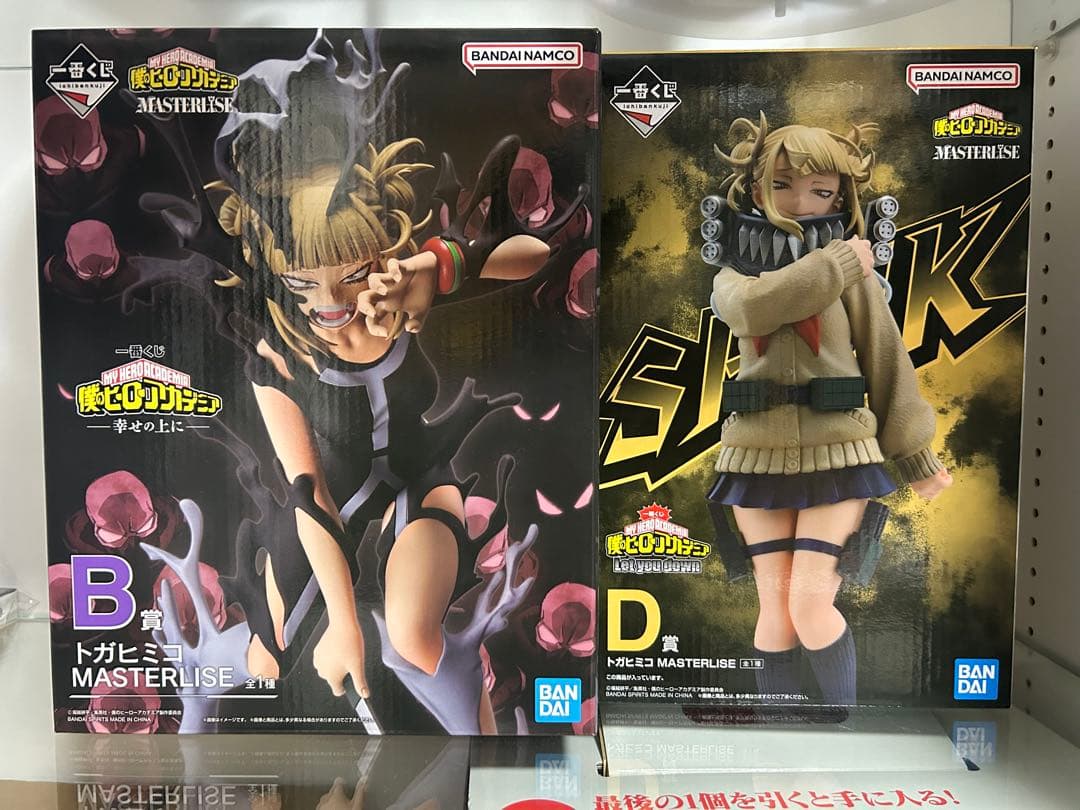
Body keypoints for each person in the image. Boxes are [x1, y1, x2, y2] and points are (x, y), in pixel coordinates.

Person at [707, 113, 952, 705]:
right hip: (754, 457)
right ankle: (778, 733)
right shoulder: (735, 277)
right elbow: (754, 309)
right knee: (775, 611)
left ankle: (843, 722)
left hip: (841, 450)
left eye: (821, 191)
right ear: (755, 189)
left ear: (841, 196)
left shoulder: (857, 281)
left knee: (810, 604)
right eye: (782, 185)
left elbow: (887, 361)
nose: (801, 202)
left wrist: (916, 459)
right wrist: (839, 263)